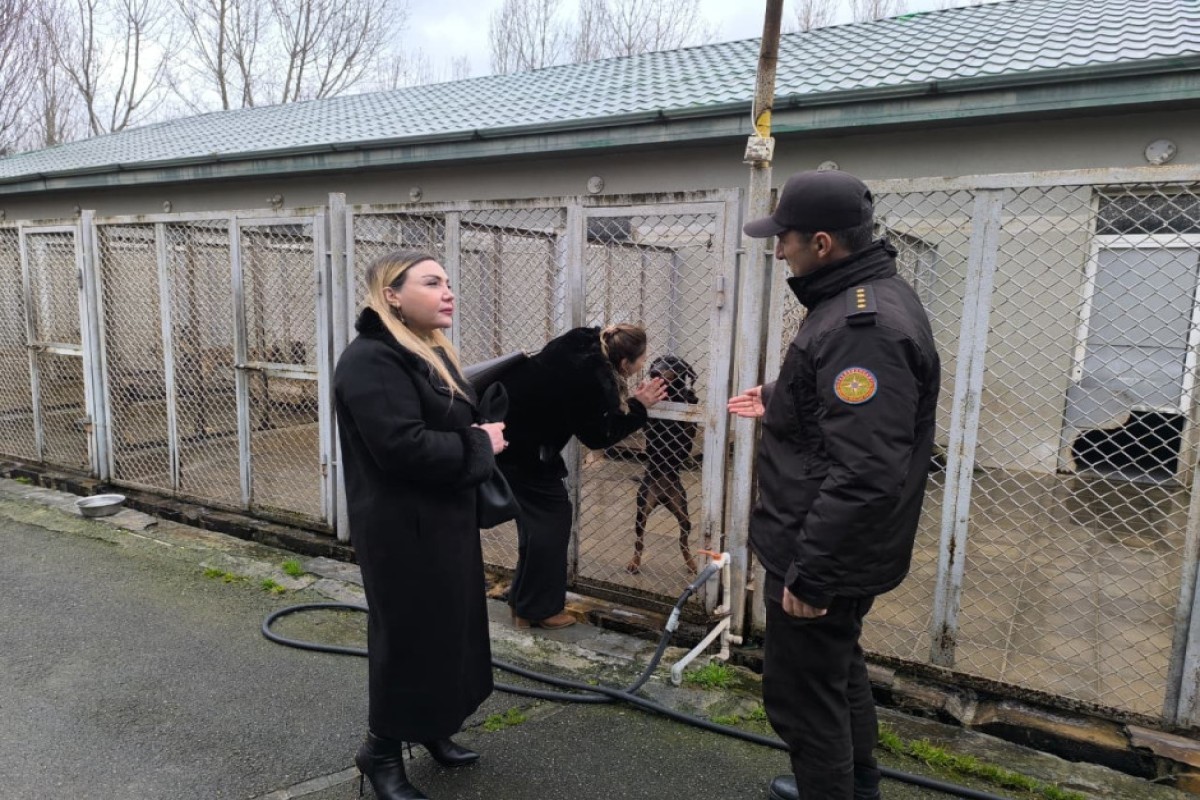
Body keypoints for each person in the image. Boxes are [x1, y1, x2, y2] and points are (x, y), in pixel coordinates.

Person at [729, 170, 941, 800]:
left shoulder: (861, 326)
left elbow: (865, 469)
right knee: (837, 674)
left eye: (785, 238)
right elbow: (845, 415)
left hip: (821, 550)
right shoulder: (860, 297)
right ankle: (857, 789)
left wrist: (812, 573)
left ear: (822, 243)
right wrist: (780, 397)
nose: (778, 249)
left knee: (803, 702)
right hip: (830, 544)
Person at [334, 250, 506, 800]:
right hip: (400, 530)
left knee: (449, 630)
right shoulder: (371, 360)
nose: (448, 291)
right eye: (432, 282)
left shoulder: (426, 350)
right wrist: (481, 443)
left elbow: (443, 419)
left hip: (443, 521)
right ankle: (380, 751)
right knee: (409, 638)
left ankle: (433, 726)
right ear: (391, 294)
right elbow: (401, 448)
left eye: (448, 282)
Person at [498, 323, 668, 628]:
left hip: (508, 433)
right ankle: (537, 610)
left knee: (538, 524)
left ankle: (524, 603)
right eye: (640, 360)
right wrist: (639, 405)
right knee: (552, 520)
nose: (643, 365)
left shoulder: (582, 340)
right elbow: (599, 436)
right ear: (623, 362)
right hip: (522, 450)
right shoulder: (591, 378)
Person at [626, 354, 700, 576]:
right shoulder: (656, 395)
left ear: (681, 373)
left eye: (667, 368)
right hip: (653, 475)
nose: (660, 370)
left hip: (672, 476)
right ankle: (636, 555)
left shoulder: (687, 398)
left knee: (685, 524)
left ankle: (686, 553)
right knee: (641, 520)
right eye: (657, 367)